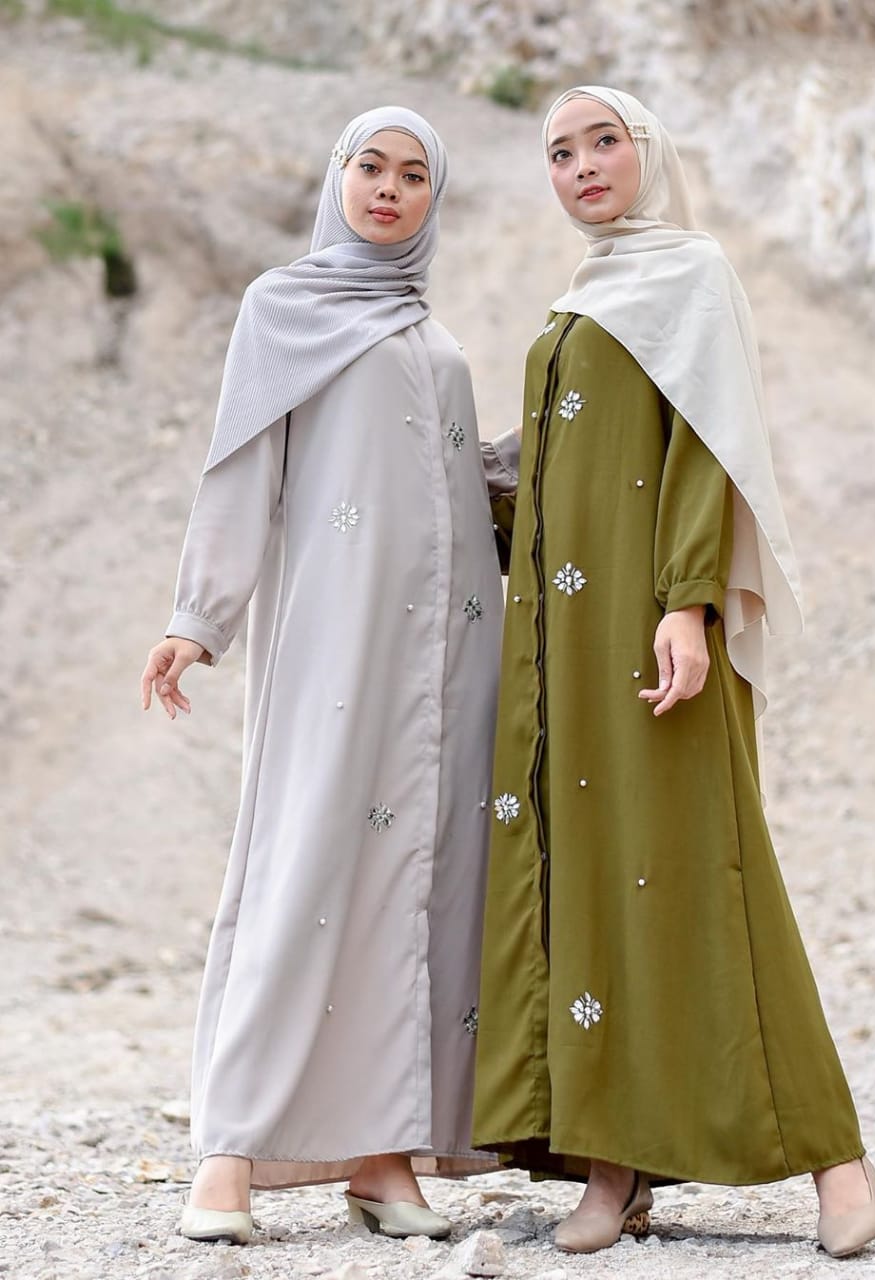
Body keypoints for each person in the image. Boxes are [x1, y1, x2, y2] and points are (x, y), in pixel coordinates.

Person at [471, 85, 875, 1260]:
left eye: (604, 141)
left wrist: (690, 603)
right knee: (596, 886)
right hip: (561, 651)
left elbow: (707, 446)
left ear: (646, 153)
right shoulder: (578, 301)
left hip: (655, 634)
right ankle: (612, 1170)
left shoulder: (690, 275)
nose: (582, 166)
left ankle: (837, 1159)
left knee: (711, 876)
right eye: (560, 151)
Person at [140, 107, 505, 1246]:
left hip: (450, 659)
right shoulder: (283, 309)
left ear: (432, 198)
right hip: (336, 648)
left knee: (422, 884)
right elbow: (241, 466)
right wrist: (200, 616)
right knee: (302, 867)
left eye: (413, 175)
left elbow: (459, 495)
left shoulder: (431, 339)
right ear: (337, 177)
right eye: (370, 167)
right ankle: (228, 1154)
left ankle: (384, 1159)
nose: (389, 189)